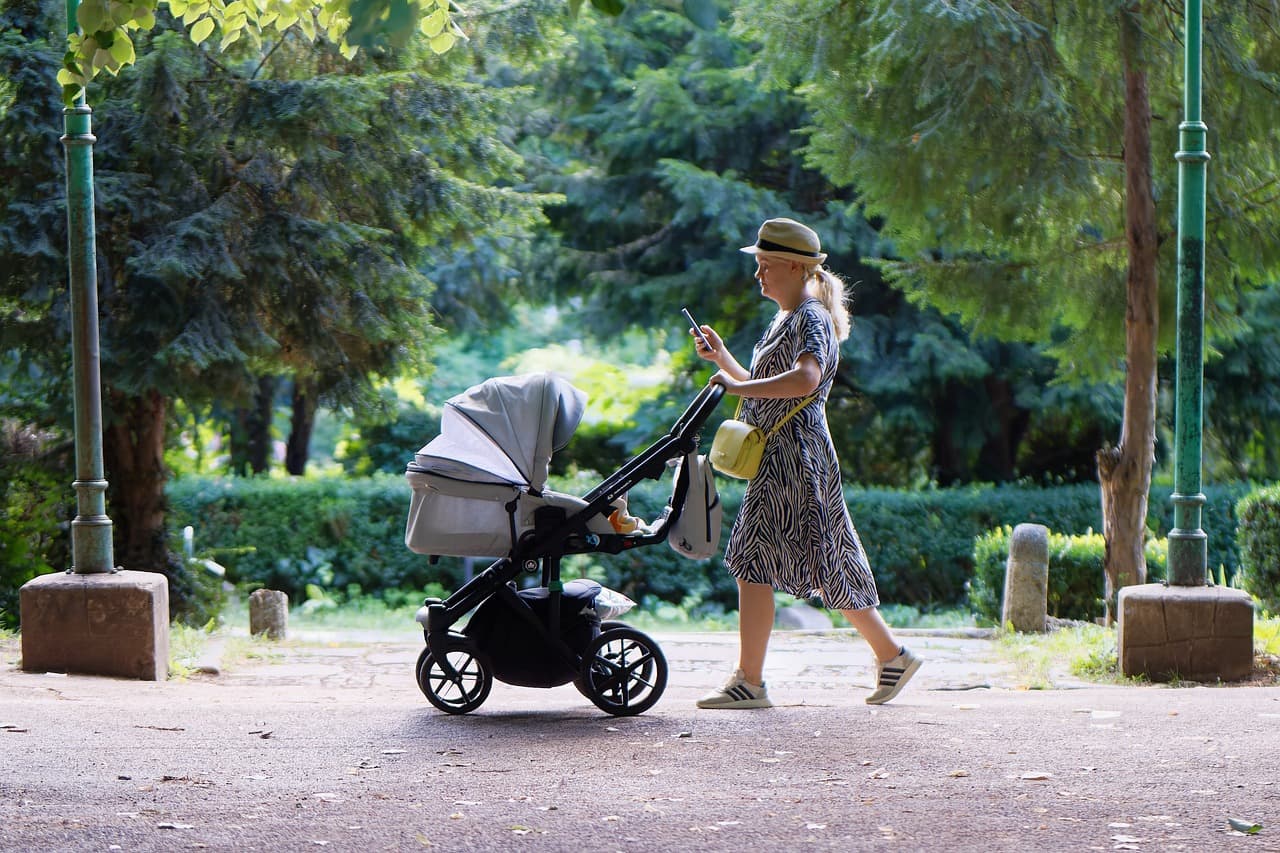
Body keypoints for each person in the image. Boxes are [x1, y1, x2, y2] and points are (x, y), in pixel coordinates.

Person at [691, 217, 922, 708]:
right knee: (825, 557)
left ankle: (749, 681)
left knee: (756, 557)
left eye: (766, 265)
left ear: (796, 267)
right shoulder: (789, 317)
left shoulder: (810, 317)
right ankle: (892, 655)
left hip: (795, 453)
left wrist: (737, 386)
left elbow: (806, 380)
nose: (758, 275)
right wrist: (723, 361)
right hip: (788, 452)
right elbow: (763, 383)